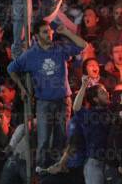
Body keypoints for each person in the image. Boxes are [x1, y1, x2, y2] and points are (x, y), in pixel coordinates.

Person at [7, 21, 87, 167]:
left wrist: (66, 32)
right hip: (44, 102)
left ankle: (57, 170)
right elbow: (11, 68)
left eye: (50, 31)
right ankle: (41, 171)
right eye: (44, 32)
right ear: (37, 36)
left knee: (61, 137)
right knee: (43, 139)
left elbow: (83, 45)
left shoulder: (60, 48)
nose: (49, 34)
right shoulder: (31, 55)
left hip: (63, 101)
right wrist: (22, 88)